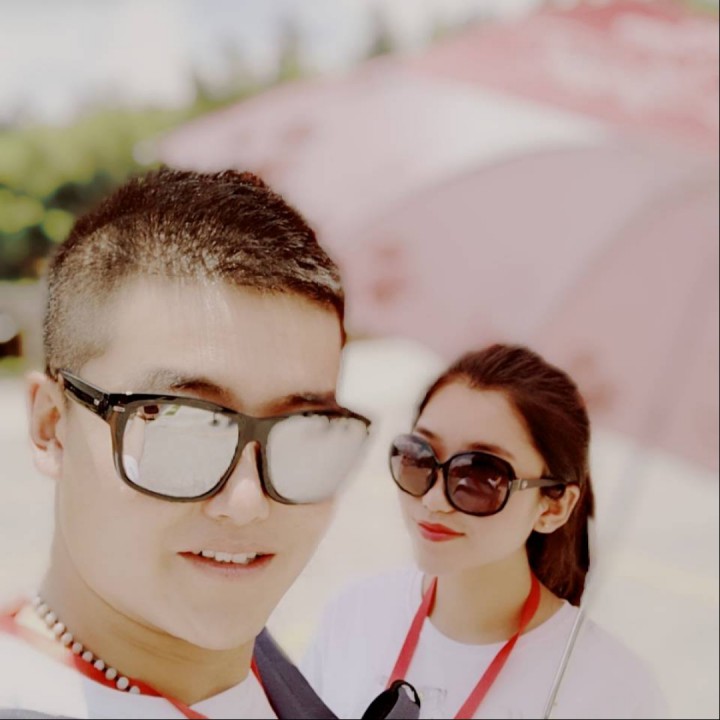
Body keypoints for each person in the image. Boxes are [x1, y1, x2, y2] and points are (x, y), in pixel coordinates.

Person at [0, 168, 419, 720]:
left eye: (304, 428)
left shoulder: (286, 685)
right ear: (52, 426)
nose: (247, 503)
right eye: (184, 428)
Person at [302, 344, 667, 719]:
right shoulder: (356, 615)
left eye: (480, 475)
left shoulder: (614, 692)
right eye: (420, 457)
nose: (433, 499)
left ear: (553, 507)